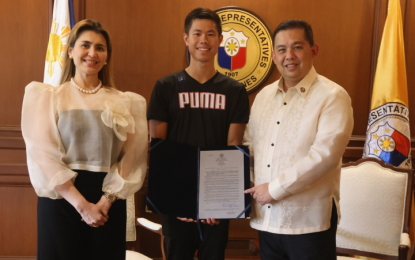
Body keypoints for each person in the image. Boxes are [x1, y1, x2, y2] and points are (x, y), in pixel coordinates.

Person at [21, 19, 148, 260]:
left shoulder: (126, 101)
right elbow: (44, 155)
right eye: (85, 45)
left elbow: (131, 155)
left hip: (107, 201)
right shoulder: (49, 97)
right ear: (70, 51)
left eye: (100, 47)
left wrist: (105, 201)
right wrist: (82, 205)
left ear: (107, 56)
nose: (92, 53)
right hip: (62, 199)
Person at [244, 20, 353, 259]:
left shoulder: (333, 96)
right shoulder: (263, 97)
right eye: (282, 49)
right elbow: (250, 146)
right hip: (266, 219)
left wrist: (274, 189)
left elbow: (324, 156)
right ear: (273, 55)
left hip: (309, 223)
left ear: (313, 50)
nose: (289, 56)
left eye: (297, 47)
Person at [147, 7, 250, 260]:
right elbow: (159, 148)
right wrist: (180, 200)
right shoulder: (165, 87)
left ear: (220, 40)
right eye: (197, 33)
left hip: (217, 201)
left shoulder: (235, 90)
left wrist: (215, 201)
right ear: (186, 39)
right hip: (175, 198)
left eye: (211, 34)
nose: (203, 40)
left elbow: (233, 146)